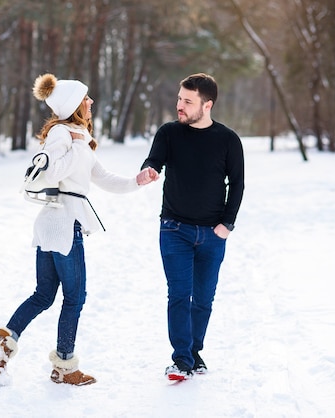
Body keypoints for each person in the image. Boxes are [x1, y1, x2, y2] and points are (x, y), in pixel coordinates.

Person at [0, 73, 158, 387]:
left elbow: (103, 178)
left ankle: (1, 346)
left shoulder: (77, 136)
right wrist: (77, 146)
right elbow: (53, 173)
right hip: (64, 225)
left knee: (43, 295)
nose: (90, 102)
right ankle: (64, 367)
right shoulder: (64, 134)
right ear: (74, 105)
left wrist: (137, 181)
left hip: (53, 223)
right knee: (74, 298)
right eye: (85, 98)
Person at [141, 73, 244, 381]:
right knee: (179, 294)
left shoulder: (228, 140)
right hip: (175, 230)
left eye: (187, 101)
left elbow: (237, 185)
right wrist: (148, 171)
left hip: (213, 234)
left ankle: (194, 352)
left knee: (203, 299)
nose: (180, 106)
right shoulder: (169, 133)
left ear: (207, 104)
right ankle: (182, 358)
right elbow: (154, 160)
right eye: (179, 99)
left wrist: (227, 224)